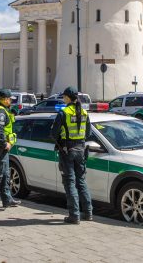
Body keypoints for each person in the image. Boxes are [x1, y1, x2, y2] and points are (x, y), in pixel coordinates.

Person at [51, 86, 93, 224]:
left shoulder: (64, 113)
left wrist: (61, 141)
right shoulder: (84, 112)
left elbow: (53, 134)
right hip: (81, 149)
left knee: (70, 183)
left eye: (64, 97)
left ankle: (74, 215)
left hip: (67, 150)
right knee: (81, 181)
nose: (63, 99)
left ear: (68, 97)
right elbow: (88, 134)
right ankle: (88, 213)